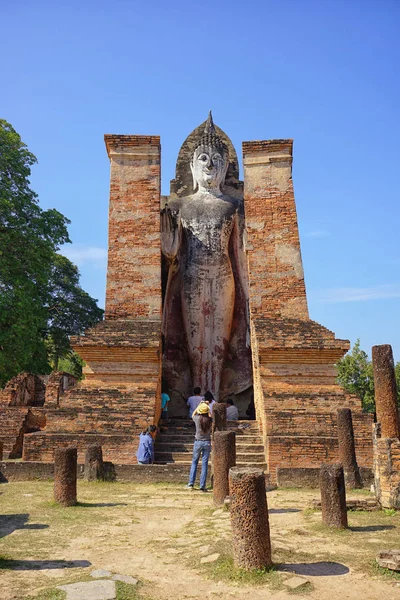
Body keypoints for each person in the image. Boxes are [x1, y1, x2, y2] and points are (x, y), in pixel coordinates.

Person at [187, 402, 212, 491]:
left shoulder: (197, 418)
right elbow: (210, 415)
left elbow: (193, 414)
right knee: (204, 464)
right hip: (207, 442)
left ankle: (191, 484)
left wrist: (199, 406)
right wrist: (207, 407)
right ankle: (202, 486)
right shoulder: (209, 420)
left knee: (194, 463)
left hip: (198, 442)